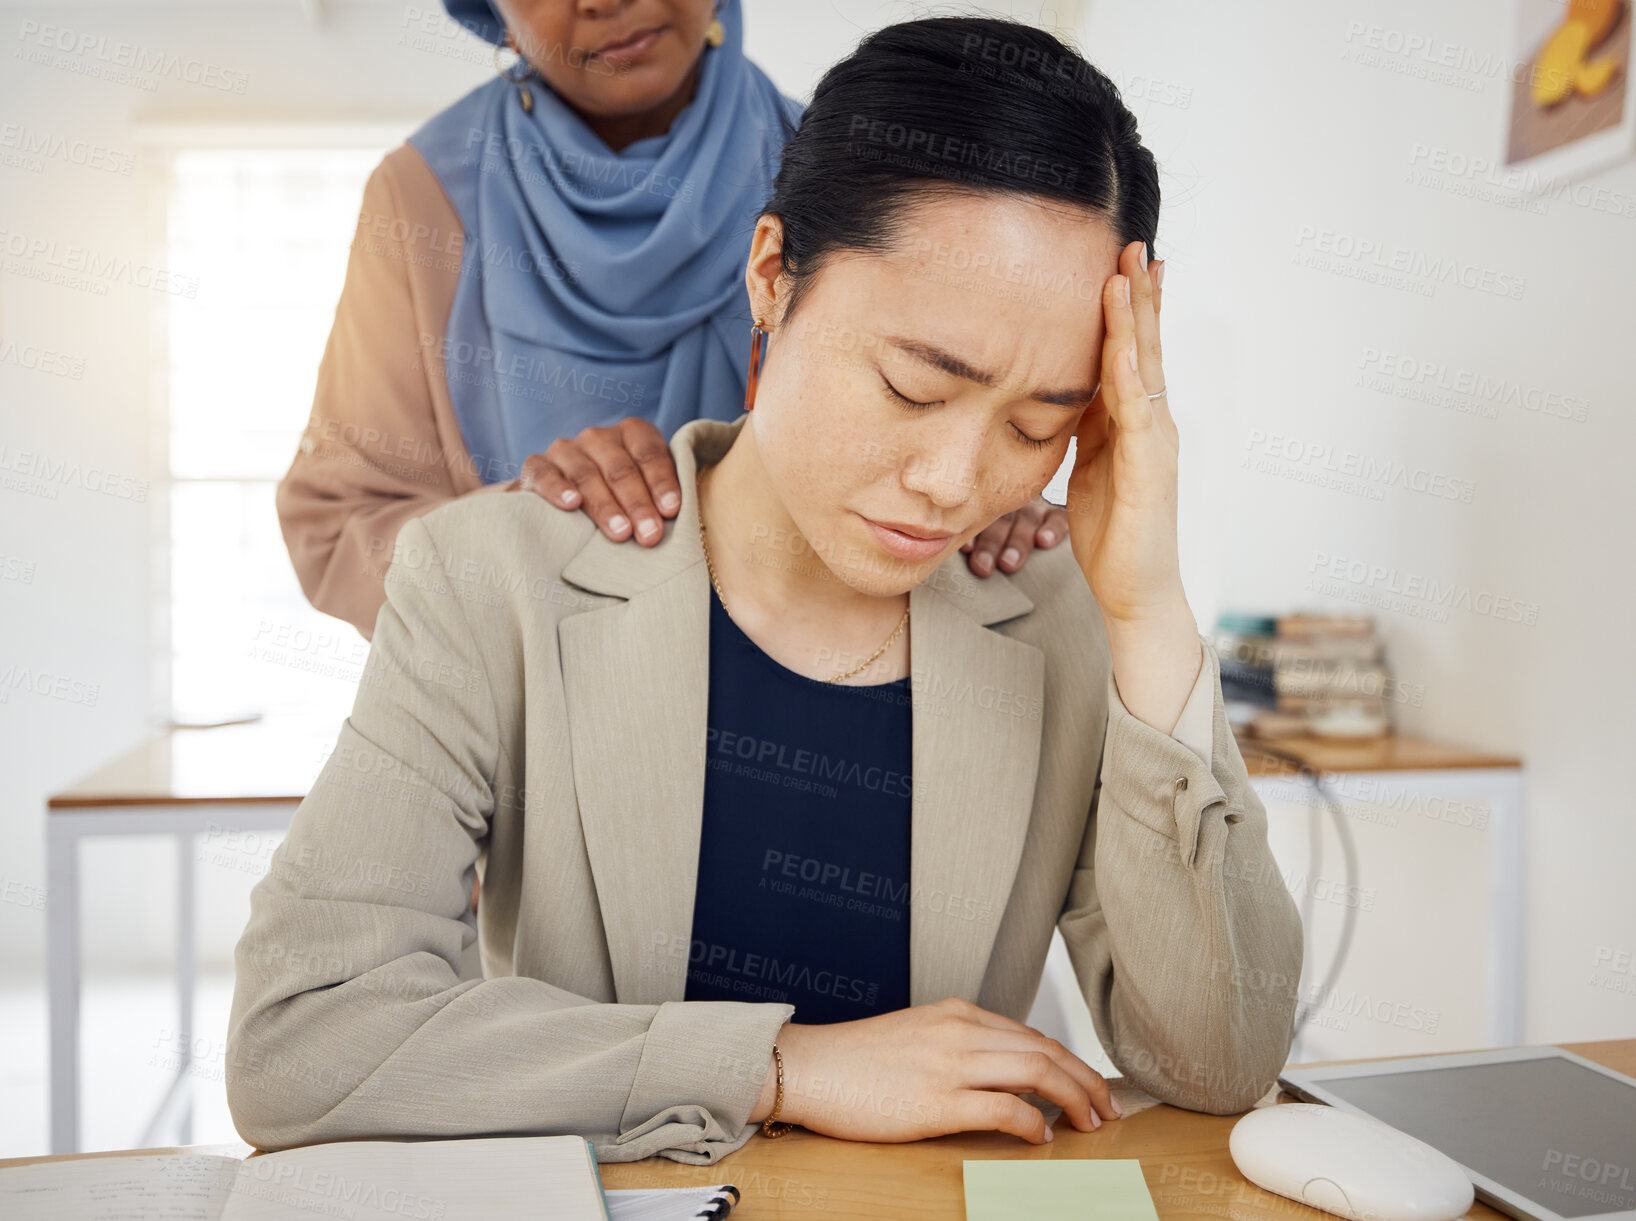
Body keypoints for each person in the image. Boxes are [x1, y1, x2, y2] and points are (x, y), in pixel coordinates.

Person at [227, 15, 1303, 1166]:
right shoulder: (493, 579)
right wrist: (785, 1066)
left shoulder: (1055, 610)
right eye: (910, 385)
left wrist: (1145, 608)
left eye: (1037, 423)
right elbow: (299, 1047)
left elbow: (1218, 1063)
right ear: (770, 274)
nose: (951, 487)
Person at [277, 0, 1069, 640]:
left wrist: (978, 518)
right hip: (530, 736)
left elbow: (934, 441)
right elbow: (337, 529)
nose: (606, 1)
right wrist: (540, 522)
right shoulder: (424, 199)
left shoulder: (835, 176)